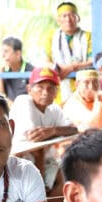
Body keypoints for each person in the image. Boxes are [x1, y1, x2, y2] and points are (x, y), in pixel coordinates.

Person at [10, 66, 78, 194]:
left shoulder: (54, 109)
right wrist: (40, 180)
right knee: (36, 193)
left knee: (64, 179)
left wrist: (53, 131)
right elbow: (35, 145)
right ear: (29, 89)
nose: (45, 92)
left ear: (56, 92)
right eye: (40, 87)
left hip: (45, 160)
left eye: (50, 88)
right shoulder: (23, 102)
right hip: (21, 161)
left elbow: (73, 129)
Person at [48, 1, 92, 98]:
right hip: (59, 87)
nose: (68, 19)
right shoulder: (51, 37)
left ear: (78, 18)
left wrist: (71, 68)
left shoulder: (88, 36)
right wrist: (58, 68)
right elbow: (44, 61)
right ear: (58, 20)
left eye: (72, 15)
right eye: (64, 16)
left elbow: (93, 60)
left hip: (85, 86)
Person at [0, 36, 34, 101]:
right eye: (2, 51)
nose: (2, 55)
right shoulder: (4, 72)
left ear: (18, 54)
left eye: (6, 51)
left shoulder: (31, 71)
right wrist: (0, 73)